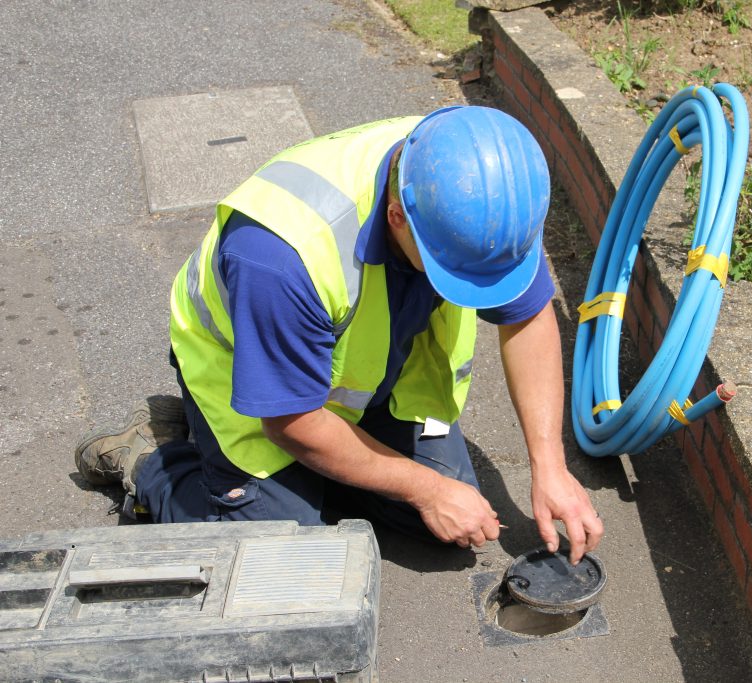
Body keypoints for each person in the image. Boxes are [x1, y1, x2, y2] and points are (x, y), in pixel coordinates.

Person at [75, 105, 603, 563]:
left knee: (453, 519)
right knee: (288, 563)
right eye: (457, 276)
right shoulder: (280, 254)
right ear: (397, 217)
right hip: (256, 385)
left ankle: (308, 480)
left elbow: (526, 315)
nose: (474, 292)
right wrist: (425, 487)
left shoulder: (482, 190)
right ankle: (153, 460)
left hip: (368, 375)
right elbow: (292, 422)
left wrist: (549, 468)